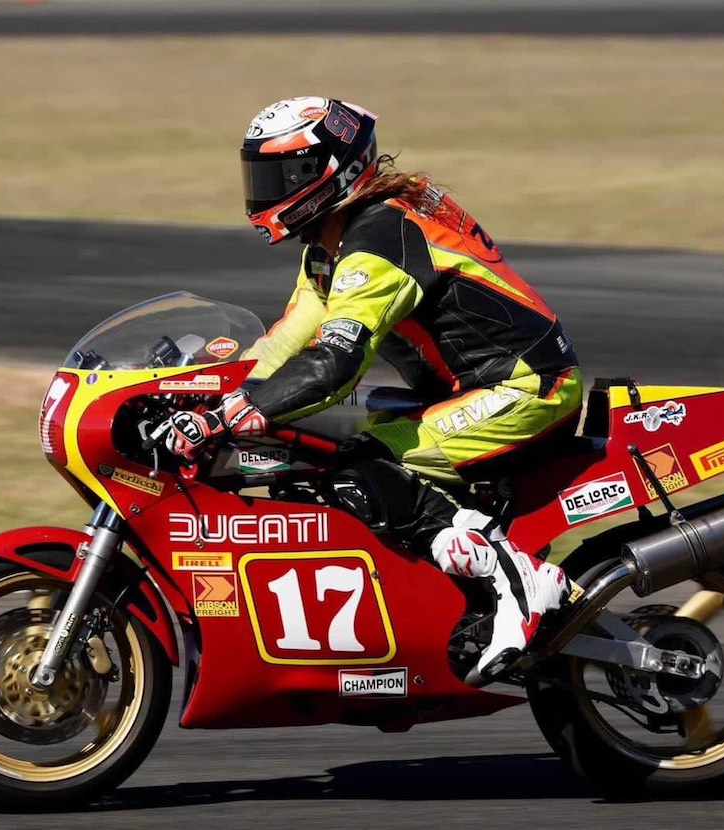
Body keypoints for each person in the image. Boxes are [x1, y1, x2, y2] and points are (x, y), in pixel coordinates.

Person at [155, 96, 583, 684]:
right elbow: (284, 343)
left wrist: (240, 410)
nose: (264, 192)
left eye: (281, 175)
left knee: (365, 462)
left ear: (328, 171)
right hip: (460, 391)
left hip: (524, 388)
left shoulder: (379, 236)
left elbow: (335, 364)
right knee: (308, 448)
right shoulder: (330, 247)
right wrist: (199, 393)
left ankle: (520, 582)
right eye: (259, 175)